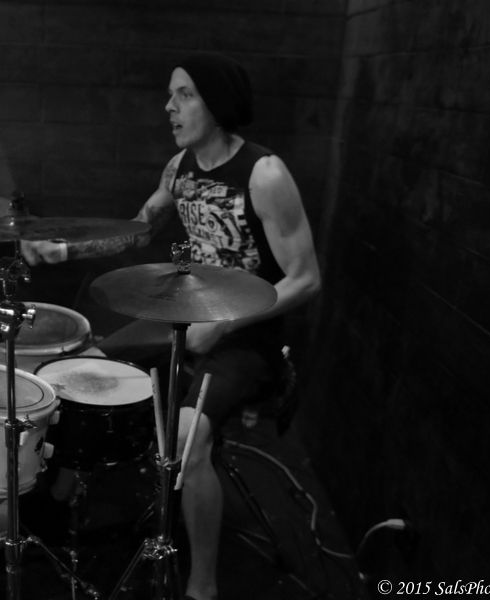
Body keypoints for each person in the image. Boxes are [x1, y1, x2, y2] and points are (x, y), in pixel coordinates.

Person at [22, 52, 321, 600]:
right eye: (170, 95)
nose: (169, 107)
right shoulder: (179, 166)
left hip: (248, 339)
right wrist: (63, 250)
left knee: (188, 436)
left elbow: (305, 278)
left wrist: (226, 325)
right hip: (186, 318)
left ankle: (202, 585)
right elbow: (140, 230)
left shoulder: (265, 174)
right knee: (83, 375)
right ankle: (57, 505)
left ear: (217, 102)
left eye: (184, 94)